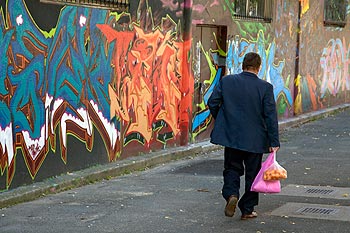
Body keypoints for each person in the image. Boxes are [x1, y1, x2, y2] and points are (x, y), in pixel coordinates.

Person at [207, 52, 280, 220]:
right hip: (256, 139)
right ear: (259, 67)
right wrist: (274, 141)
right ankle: (247, 209)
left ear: (243, 65)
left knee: (232, 168)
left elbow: (212, 102)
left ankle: (231, 194)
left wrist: (222, 120)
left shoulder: (227, 81)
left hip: (232, 136)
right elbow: (270, 116)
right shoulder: (265, 87)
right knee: (253, 174)